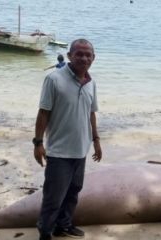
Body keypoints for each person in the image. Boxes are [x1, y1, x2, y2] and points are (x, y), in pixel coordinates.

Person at [33, 39, 102, 240]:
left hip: (81, 149)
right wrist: (38, 143)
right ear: (70, 55)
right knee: (53, 199)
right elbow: (43, 113)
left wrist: (96, 140)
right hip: (59, 152)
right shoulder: (54, 79)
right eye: (79, 53)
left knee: (73, 193)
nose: (84, 58)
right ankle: (45, 232)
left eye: (88, 54)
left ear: (93, 58)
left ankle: (63, 226)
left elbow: (91, 113)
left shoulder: (92, 83)